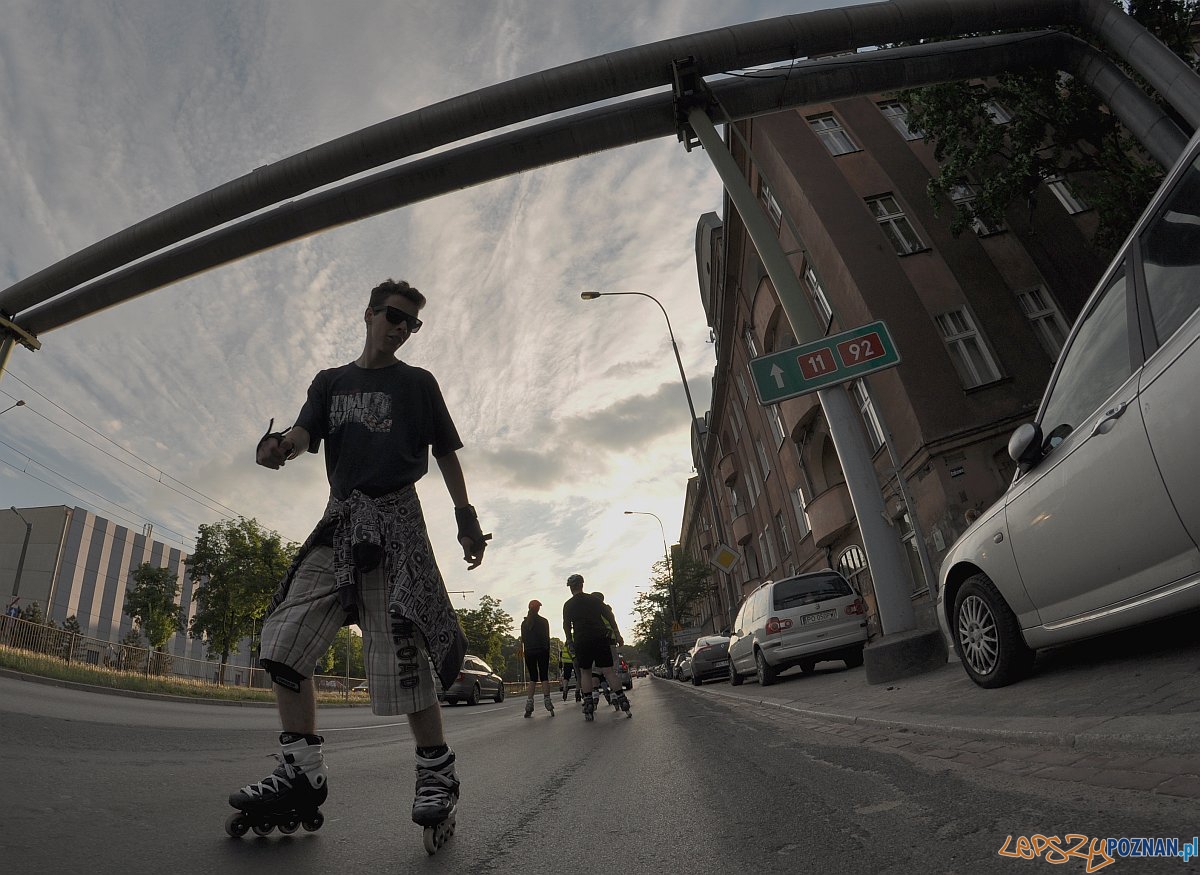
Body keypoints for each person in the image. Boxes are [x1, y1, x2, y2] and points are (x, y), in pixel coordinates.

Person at [231, 278, 488, 853]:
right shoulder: (330, 382)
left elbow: (446, 452)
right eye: (394, 316)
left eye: (412, 323)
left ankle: (436, 772)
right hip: (342, 520)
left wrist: (466, 517)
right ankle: (301, 771)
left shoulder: (418, 383)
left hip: (396, 520)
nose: (402, 329)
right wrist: (281, 447)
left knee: (401, 653)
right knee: (283, 638)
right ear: (369, 314)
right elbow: (305, 431)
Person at [562, 574, 630, 720]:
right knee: (608, 671)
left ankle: (588, 703)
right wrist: (617, 634)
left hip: (582, 640)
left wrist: (570, 641)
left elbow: (566, 625)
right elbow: (610, 616)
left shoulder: (568, 605)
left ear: (571, 588)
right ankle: (622, 699)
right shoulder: (594, 600)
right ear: (582, 585)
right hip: (600, 638)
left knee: (585, 672)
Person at [519, 600, 554, 717]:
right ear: (538, 608)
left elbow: (523, 640)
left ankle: (529, 703)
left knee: (533, 678)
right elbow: (547, 638)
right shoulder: (544, 621)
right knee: (544, 676)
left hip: (529, 652)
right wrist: (547, 650)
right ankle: (547, 701)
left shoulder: (524, 623)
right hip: (542, 651)